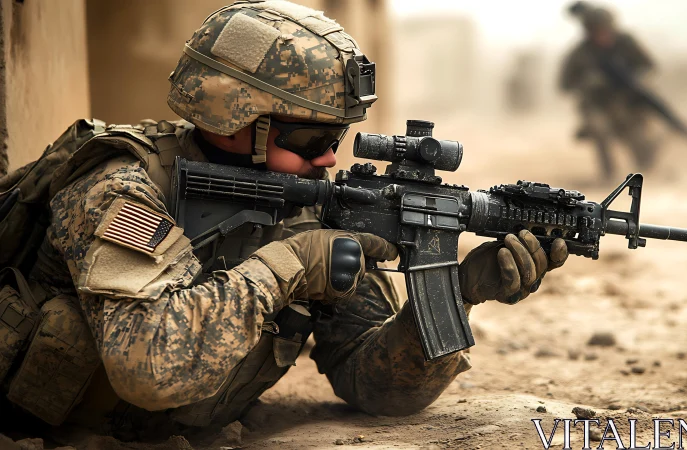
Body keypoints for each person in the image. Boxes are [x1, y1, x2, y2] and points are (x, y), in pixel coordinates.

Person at [0, 0, 568, 436]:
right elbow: (149, 368)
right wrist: (288, 265)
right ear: (233, 118)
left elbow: (369, 382)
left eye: (338, 137)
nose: (329, 158)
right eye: (311, 137)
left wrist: (459, 295)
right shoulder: (121, 187)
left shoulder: (313, 203)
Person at [560, 2, 659, 182]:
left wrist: (634, 80)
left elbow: (649, 66)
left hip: (627, 104)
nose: (602, 35)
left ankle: (646, 166)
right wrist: (588, 81)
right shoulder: (581, 53)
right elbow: (564, 84)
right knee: (599, 128)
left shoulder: (626, 43)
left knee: (638, 140)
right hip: (597, 105)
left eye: (605, 30)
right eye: (597, 31)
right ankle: (608, 174)